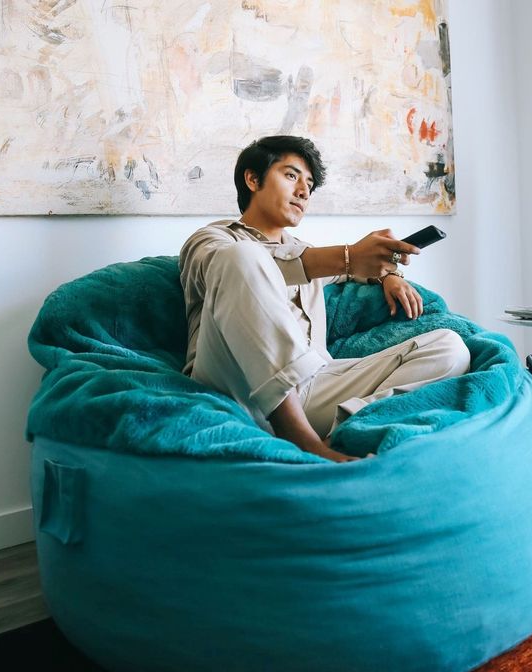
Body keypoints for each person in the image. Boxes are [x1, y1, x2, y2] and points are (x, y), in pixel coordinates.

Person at [180, 135, 470, 462]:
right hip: (234, 387)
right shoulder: (212, 239)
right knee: (242, 256)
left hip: (315, 386)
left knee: (450, 346)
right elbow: (255, 263)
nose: (304, 191)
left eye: (309, 184)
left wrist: (389, 274)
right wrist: (347, 256)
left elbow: (352, 271)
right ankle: (307, 445)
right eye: (291, 176)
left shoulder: (308, 253)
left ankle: (344, 432)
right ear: (252, 179)